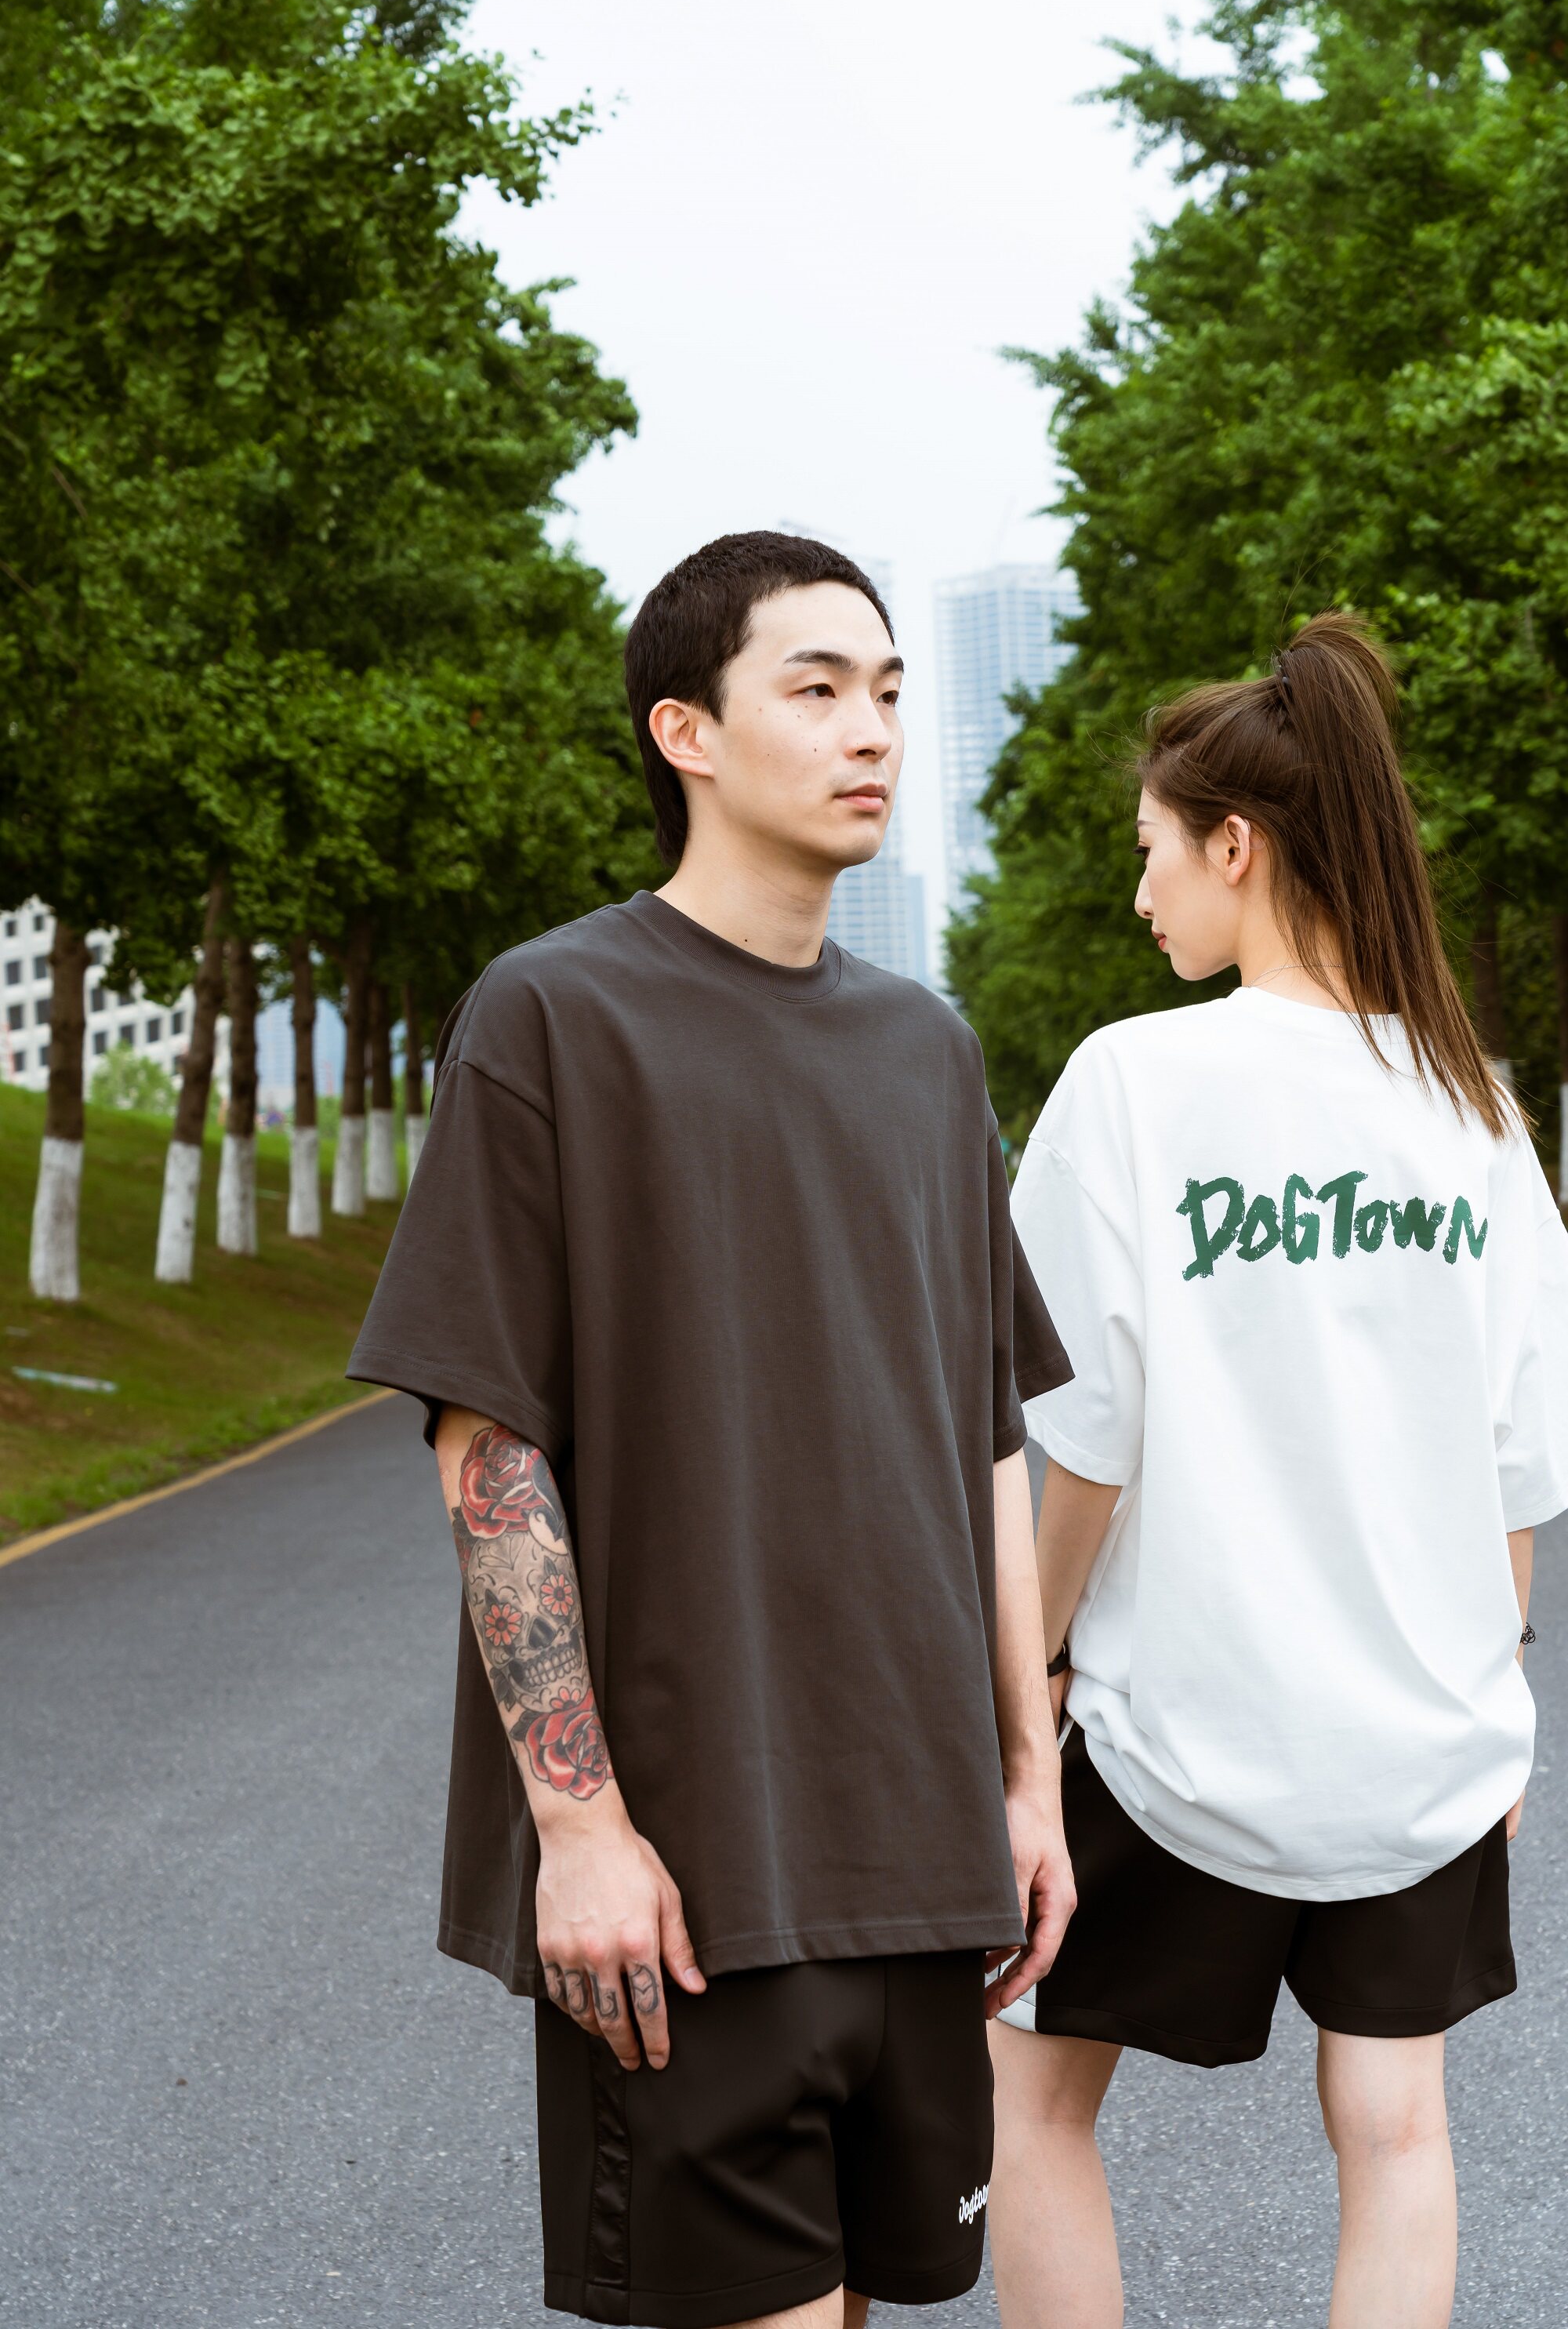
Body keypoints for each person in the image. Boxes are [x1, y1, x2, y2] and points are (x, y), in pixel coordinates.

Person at [347, 530, 1077, 2329]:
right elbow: (487, 1449)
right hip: (694, 1878)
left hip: (922, 1858)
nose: (872, 732)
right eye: (814, 690)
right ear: (685, 731)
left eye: (888, 691)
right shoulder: (551, 1015)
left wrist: (1026, 1778)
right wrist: (581, 1828)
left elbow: (984, 1442)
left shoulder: (930, 1054)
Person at [992, 613, 1568, 2329]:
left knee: (1029, 2098)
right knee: (1394, 2130)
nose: (1142, 894)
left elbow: (1083, 1446)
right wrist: (1499, 1692)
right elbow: (1518, 1464)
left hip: (1174, 1729)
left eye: (1152, 852)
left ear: (1234, 845)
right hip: (1419, 1737)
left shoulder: (1131, 1082)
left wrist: (1029, 1679)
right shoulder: (1474, 1111)